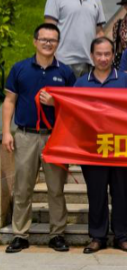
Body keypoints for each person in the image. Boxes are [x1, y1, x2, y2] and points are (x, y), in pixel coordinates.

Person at [2, 23, 76, 254]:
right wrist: (7, 132)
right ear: (35, 41)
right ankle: (20, 234)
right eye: (43, 39)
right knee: (22, 188)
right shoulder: (20, 68)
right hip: (25, 136)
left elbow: (74, 106)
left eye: (52, 40)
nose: (47, 43)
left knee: (56, 188)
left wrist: (56, 102)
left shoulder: (65, 72)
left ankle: (57, 234)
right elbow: (9, 101)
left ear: (58, 43)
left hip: (55, 137)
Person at [73, 37, 127, 254]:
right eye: (99, 54)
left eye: (107, 54)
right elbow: (75, 114)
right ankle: (97, 236)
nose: (103, 58)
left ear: (113, 55)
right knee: (96, 192)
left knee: (120, 192)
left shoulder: (125, 80)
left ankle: (122, 236)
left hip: (119, 146)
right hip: (92, 148)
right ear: (92, 56)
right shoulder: (81, 82)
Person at [44, 0, 106, 77]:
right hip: (63, 61)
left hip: (89, 62)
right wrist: (50, 56)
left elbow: (99, 32)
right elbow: (49, 29)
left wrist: (101, 55)